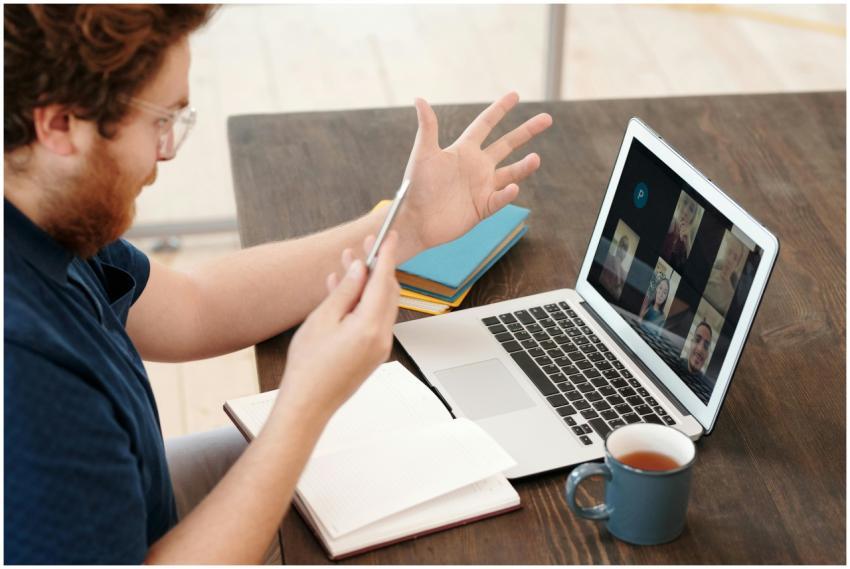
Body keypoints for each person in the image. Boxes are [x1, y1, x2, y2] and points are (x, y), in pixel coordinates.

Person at [3, 5, 553, 564]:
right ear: (60, 125)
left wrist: (407, 224)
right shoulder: (23, 373)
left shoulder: (44, 210)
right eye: (159, 121)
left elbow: (195, 307)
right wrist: (304, 403)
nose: (166, 151)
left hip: (131, 499)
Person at [704, 236, 745, 314]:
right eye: (729, 252)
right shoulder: (709, 271)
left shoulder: (730, 299)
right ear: (725, 252)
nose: (730, 260)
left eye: (735, 258)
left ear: (737, 265)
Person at [661, 194, 699, 268]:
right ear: (679, 203)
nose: (685, 211)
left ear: (692, 218)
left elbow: (693, 268)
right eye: (685, 202)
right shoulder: (671, 222)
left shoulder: (687, 243)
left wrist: (688, 244)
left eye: (691, 209)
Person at [599, 234, 630, 299]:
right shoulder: (607, 257)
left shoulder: (624, 275)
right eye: (621, 245)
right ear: (618, 246)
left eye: (625, 248)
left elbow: (619, 295)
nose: (622, 249)